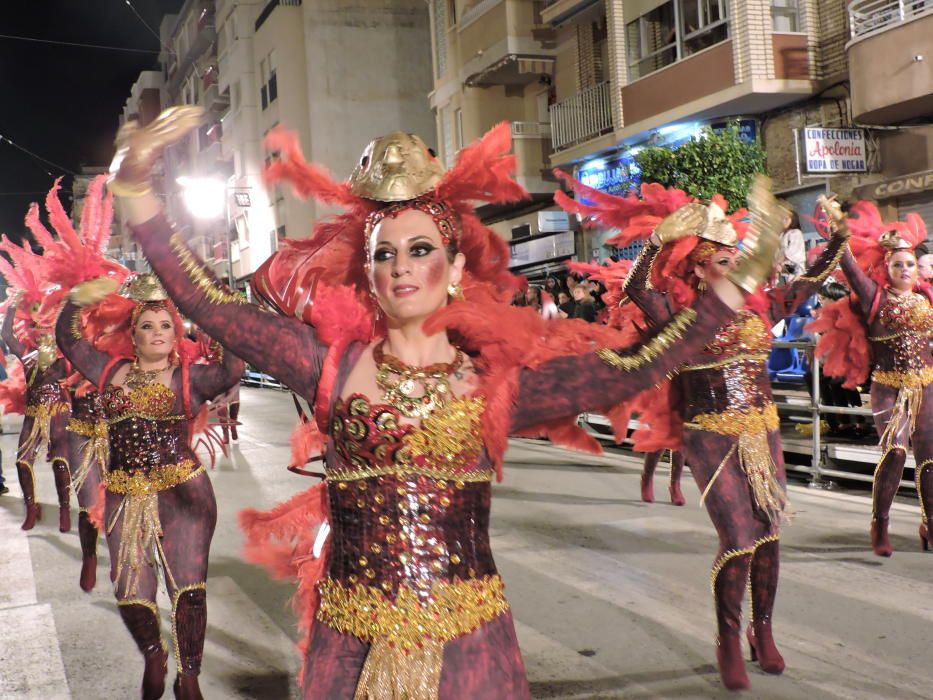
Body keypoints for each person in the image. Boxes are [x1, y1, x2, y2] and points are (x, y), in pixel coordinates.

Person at [105, 106, 777, 699]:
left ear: (454, 270)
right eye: (385, 254)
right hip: (351, 645)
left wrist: (734, 283)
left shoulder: (495, 381)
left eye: (420, 250)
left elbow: (642, 360)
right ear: (366, 273)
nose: (401, 266)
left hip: (469, 645)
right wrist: (134, 189)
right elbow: (205, 302)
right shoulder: (325, 368)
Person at [556, 173, 848, 691]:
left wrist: (840, 238)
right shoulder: (680, 315)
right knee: (737, 538)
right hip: (709, 433)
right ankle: (727, 639)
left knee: (770, 535)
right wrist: (657, 241)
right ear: (697, 267)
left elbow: (812, 277)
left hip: (764, 431)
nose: (734, 267)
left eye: (737, 260)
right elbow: (636, 288)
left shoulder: (764, 308)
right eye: (721, 261)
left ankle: (764, 630)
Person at [55, 273, 244, 699]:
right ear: (133, 334)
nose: (158, 333)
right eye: (147, 325)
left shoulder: (190, 377)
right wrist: (78, 297)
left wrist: (219, 310)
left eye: (166, 326)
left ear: (177, 333)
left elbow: (234, 367)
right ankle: (154, 653)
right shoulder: (110, 372)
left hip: (185, 493)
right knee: (131, 591)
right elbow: (69, 340)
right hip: (125, 493)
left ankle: (189, 675)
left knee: (189, 589)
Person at [812, 199, 933, 557]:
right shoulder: (874, 297)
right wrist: (837, 229)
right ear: (887, 267)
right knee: (895, 452)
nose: (906, 269)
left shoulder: (927, 298)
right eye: (898, 264)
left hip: (926, 386)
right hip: (888, 388)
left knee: (929, 459)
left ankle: (929, 522)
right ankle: (880, 521)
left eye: (911, 263)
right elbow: (847, 265)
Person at [1, 295, 72, 532]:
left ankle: (64, 510)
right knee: (23, 461)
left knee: (61, 462)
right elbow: (7, 335)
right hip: (33, 414)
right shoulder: (27, 354)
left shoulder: (66, 356)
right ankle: (32, 508)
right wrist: (12, 305)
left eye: (47, 325)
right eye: (38, 325)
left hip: (59, 414)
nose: (42, 331)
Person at [776, 203, 806, 285]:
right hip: (785, 269)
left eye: (786, 219)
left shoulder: (796, 233)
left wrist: (779, 262)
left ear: (793, 219)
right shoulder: (781, 235)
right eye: (782, 219)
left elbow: (791, 252)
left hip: (796, 268)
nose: (783, 221)